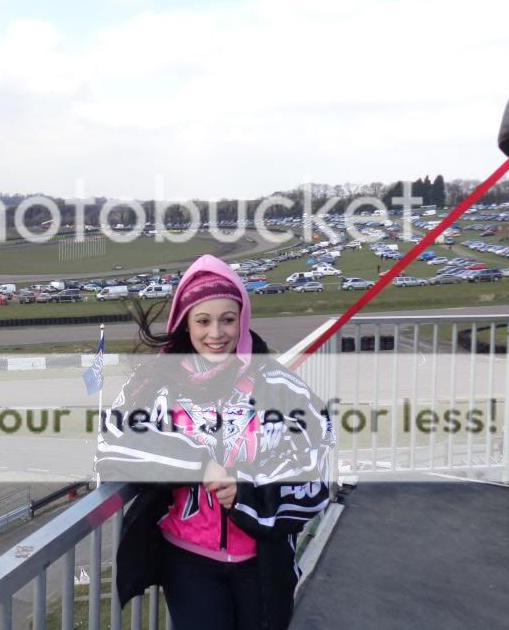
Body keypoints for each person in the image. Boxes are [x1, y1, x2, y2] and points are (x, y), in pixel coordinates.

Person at [96, 255, 335, 630]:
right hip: (188, 561)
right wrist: (199, 464)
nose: (216, 333)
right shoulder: (155, 383)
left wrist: (248, 491)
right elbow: (113, 442)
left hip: (263, 561)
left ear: (242, 319)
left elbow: (318, 468)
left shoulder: (280, 386)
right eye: (203, 320)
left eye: (227, 319)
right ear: (185, 324)